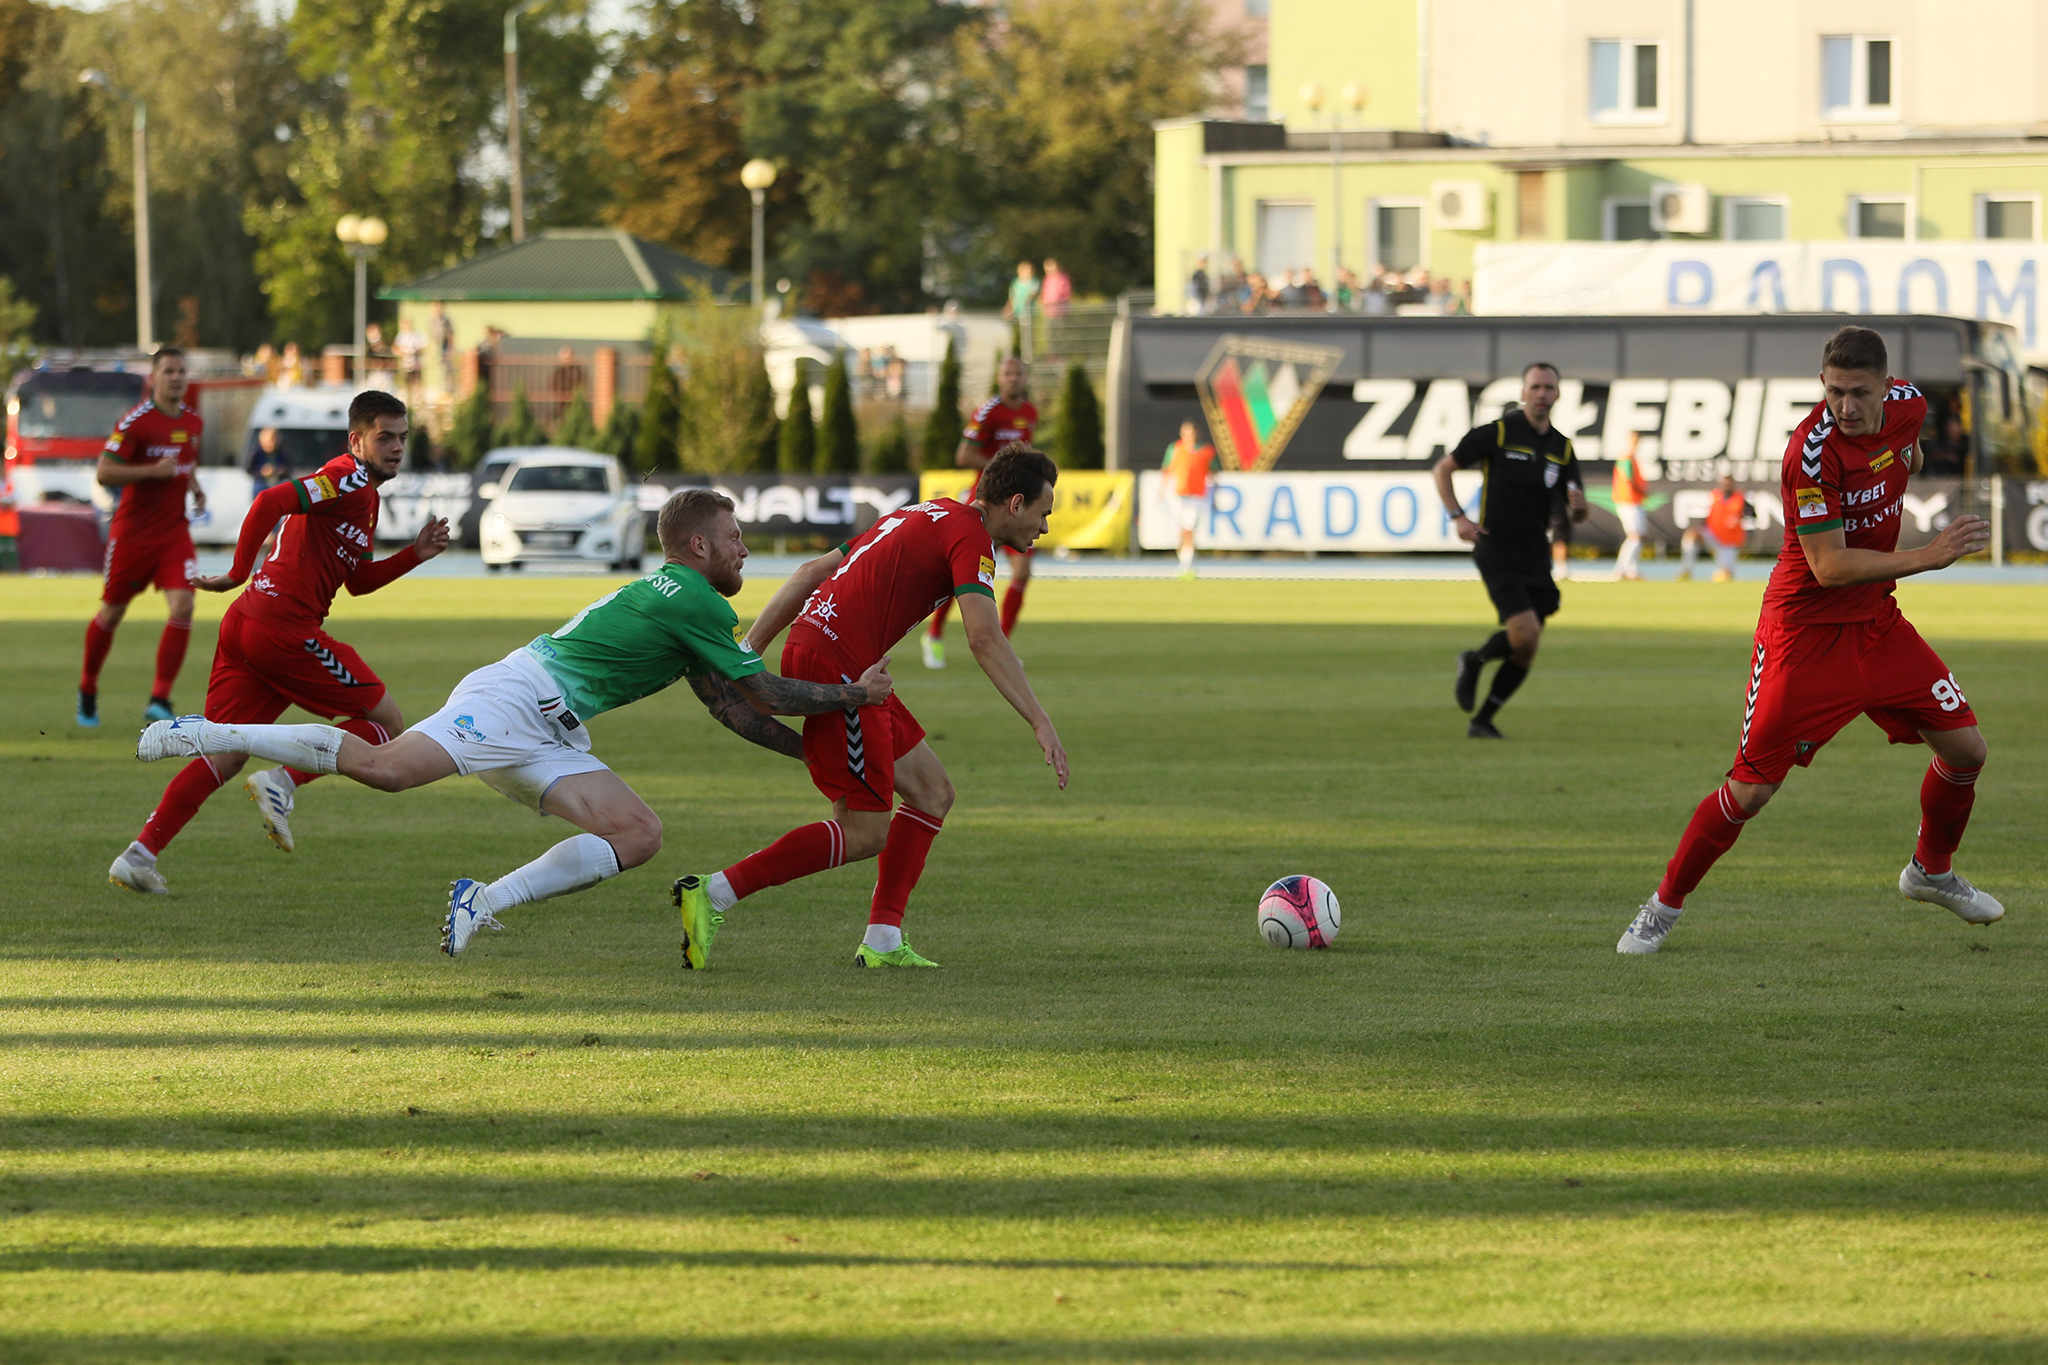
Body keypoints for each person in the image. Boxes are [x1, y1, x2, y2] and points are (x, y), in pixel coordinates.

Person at [134, 488, 894, 957]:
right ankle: (209, 733)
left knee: (638, 833)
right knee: (387, 769)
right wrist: (854, 698)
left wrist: (809, 756)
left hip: (548, 726)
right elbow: (764, 688)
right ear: (699, 545)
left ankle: (482, 900)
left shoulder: (682, 599)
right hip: (516, 697)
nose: (745, 550)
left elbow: (731, 706)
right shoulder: (695, 598)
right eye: (735, 539)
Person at [1619, 326, 2000, 954]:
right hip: (1803, 636)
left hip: (1876, 624)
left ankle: (1930, 872)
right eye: (1833, 392)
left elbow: (1908, 452)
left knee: (1967, 751)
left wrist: (1903, 458)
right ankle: (1663, 905)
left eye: (1858, 393)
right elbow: (1829, 567)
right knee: (1750, 790)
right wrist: (1928, 555)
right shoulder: (1811, 454)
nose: (1844, 407)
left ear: (1886, 386)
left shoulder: (1909, 405)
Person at [671, 444, 1070, 970]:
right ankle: (714, 892)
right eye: (1043, 512)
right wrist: (1040, 720)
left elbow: (811, 571)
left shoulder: (925, 511)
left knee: (932, 792)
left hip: (838, 659)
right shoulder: (972, 538)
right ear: (1015, 503)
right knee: (864, 829)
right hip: (842, 670)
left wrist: (749, 653)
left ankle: (883, 938)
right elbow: (983, 637)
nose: (1044, 527)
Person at [106, 392, 450, 893]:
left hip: (248, 624)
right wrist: (236, 572)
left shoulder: (362, 495)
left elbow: (356, 582)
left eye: (402, 437)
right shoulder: (350, 478)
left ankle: (139, 855)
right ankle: (284, 780)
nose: (397, 447)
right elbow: (269, 500)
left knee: (224, 752)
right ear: (356, 441)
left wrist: (413, 555)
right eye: (385, 438)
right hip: (284, 631)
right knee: (387, 723)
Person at [1435, 362, 1586, 739]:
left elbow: (1576, 510)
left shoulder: (1562, 447)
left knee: (1527, 648)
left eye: (1548, 388)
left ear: (1558, 394)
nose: (1542, 394)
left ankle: (1482, 719)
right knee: (1525, 634)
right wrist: (1458, 517)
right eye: (1535, 387)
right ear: (1523, 393)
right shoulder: (1499, 432)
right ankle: (1474, 660)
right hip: (1497, 547)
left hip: (1536, 552)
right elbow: (1443, 469)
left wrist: (1579, 508)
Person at [79, 347, 206, 730]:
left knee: (183, 605)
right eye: (169, 371)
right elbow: (104, 472)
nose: (176, 377)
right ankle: (87, 688)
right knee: (112, 612)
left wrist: (194, 486)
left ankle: (160, 699)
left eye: (181, 371)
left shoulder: (193, 422)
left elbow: (184, 461)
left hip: (174, 532)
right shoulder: (135, 422)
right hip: (133, 535)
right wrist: (152, 471)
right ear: (154, 378)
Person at [922, 355, 1037, 668]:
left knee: (1023, 571)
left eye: (1018, 373)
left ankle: (1003, 646)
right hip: (986, 501)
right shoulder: (987, 412)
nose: (1013, 379)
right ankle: (934, 635)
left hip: (1016, 503)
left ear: (1025, 378)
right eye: (1008, 373)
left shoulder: (1029, 413)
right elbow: (963, 455)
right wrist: (1003, 469)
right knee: (959, 575)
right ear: (999, 378)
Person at [1162, 419, 1218, 577]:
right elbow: (1167, 470)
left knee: (1189, 529)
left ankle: (1186, 566)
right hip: (1177, 495)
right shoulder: (1175, 448)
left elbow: (1213, 473)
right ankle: (1184, 561)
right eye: (1186, 433)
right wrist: (1162, 491)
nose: (1189, 436)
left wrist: (1215, 494)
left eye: (1192, 433)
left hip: (1196, 496)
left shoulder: (1206, 451)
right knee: (1180, 531)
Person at [1678, 476, 1747, 582]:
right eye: (1724, 484)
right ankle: (1686, 569)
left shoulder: (1740, 498)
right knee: (1691, 536)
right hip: (1712, 535)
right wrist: (1697, 529)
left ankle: (1724, 571)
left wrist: (1739, 517)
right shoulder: (1714, 496)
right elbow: (1705, 515)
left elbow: (1751, 514)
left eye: (1728, 484)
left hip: (1729, 542)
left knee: (1726, 573)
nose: (1726, 486)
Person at [1611, 431, 1651, 580]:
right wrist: (1642, 491)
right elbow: (1629, 481)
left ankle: (1631, 570)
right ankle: (1621, 569)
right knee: (1634, 536)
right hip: (1627, 501)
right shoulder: (1626, 458)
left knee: (1639, 536)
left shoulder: (1633, 458)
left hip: (1635, 501)